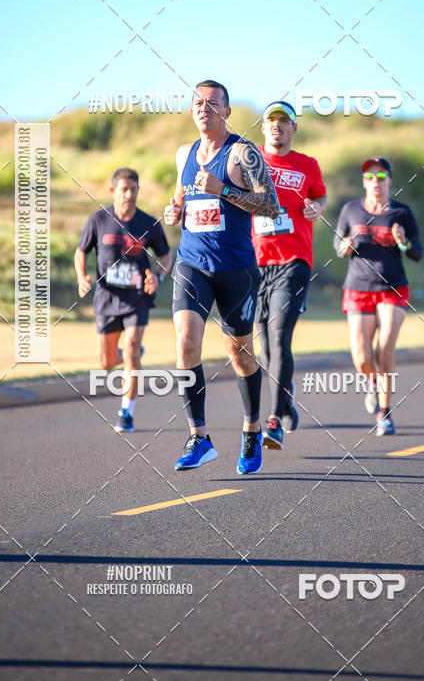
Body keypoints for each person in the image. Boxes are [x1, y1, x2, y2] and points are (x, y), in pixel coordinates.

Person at [163, 80, 279, 474]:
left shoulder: (243, 154)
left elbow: (271, 205)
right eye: (198, 102)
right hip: (192, 263)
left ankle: (250, 431)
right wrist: (174, 211)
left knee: (240, 353)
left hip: (235, 270)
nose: (204, 108)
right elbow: (181, 195)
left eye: (213, 103)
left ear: (227, 112)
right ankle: (200, 437)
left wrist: (224, 189)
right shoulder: (184, 154)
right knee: (185, 343)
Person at [252, 101, 327, 449]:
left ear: (294, 128)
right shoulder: (248, 160)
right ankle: (286, 396)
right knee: (263, 349)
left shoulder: (307, 165)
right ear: (263, 127)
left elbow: (321, 197)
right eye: (272, 121)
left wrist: (317, 208)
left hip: (294, 260)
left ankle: (272, 420)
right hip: (253, 264)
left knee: (280, 335)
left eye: (284, 121)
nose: (277, 126)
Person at [75, 168, 172, 432]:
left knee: (129, 350)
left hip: (136, 298)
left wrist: (159, 278)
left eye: (133, 189)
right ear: (113, 191)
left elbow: (165, 258)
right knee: (106, 362)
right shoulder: (98, 219)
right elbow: (81, 251)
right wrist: (81, 276)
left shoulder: (148, 224)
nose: (129, 194)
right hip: (106, 298)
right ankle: (135, 355)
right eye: (124, 189)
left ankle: (126, 412)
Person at [333, 157, 422, 435]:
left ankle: (385, 412)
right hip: (358, 287)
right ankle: (373, 383)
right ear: (364, 181)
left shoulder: (402, 213)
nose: (376, 182)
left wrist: (402, 241)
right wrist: (344, 246)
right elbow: (338, 243)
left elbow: (417, 252)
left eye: (381, 176)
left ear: (390, 180)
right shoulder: (351, 209)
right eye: (370, 177)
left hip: (393, 288)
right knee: (361, 358)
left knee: (385, 350)